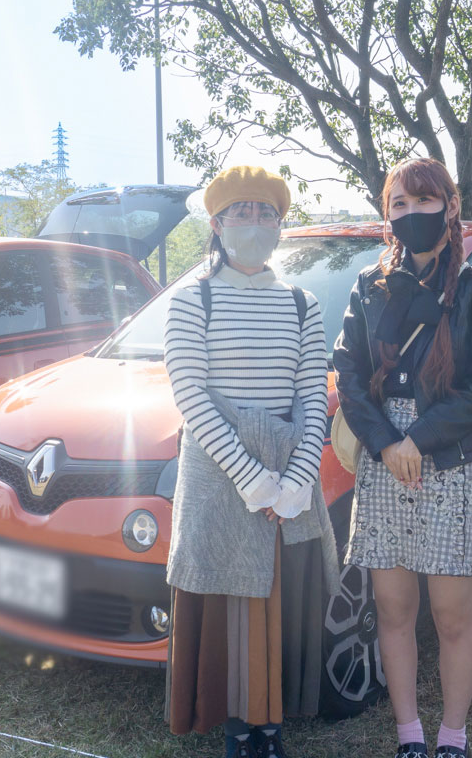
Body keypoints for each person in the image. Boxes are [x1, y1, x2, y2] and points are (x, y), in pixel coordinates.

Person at [333, 157, 472, 758]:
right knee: (393, 610)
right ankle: (408, 735)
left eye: (423, 200)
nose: (411, 213)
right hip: (385, 460)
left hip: (449, 459)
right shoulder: (370, 284)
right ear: (387, 214)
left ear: (450, 207)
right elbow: (349, 371)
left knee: (452, 615)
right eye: (399, 204)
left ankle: (452, 738)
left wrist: (420, 438)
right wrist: (387, 441)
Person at [163, 166, 339, 758]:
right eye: (241, 211)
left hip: (288, 476)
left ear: (281, 225)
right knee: (230, 604)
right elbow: (190, 396)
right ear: (216, 224)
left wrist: (296, 480)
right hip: (220, 477)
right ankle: (240, 732)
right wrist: (254, 481)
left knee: (278, 605)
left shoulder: (302, 304)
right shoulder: (193, 298)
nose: (255, 222)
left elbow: (311, 394)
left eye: (267, 213)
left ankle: (272, 727)